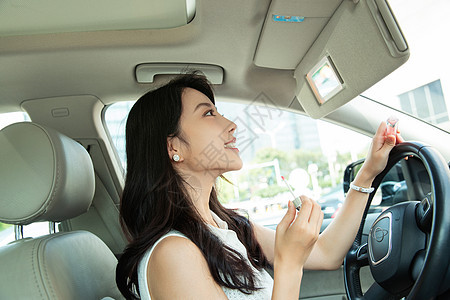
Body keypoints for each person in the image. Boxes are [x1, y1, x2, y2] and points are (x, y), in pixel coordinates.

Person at [115, 73, 403, 299]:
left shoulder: (228, 227)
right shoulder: (173, 254)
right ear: (173, 146)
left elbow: (327, 254)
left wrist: (367, 173)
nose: (231, 124)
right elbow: (298, 262)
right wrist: (289, 263)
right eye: (208, 114)